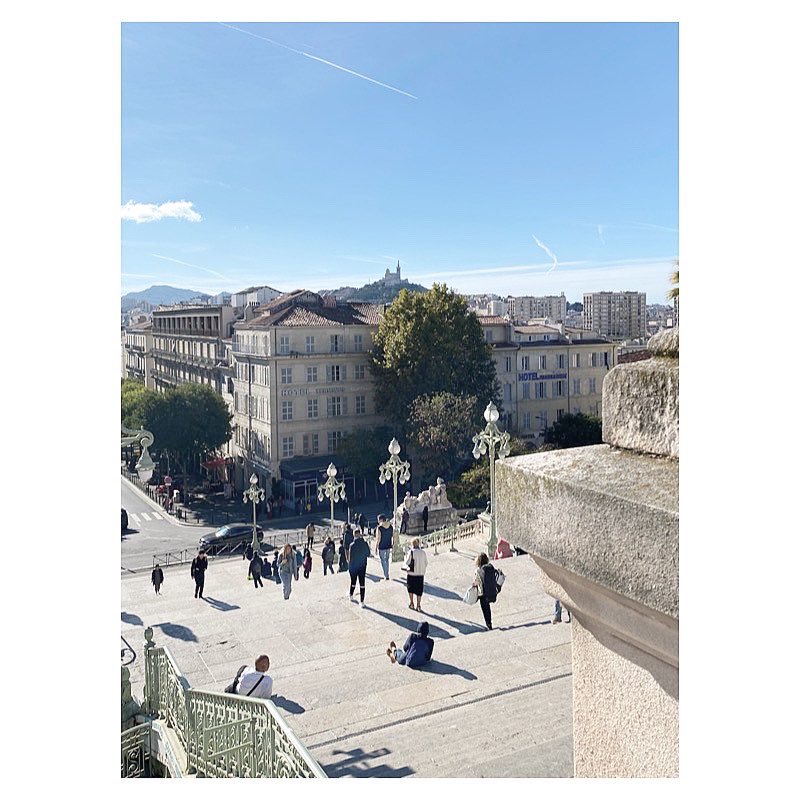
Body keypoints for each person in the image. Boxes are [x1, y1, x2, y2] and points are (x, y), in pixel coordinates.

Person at [473, 552, 498, 630]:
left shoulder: (478, 570)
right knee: (488, 608)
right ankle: (489, 623)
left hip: (483, 593)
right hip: (491, 591)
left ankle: (488, 623)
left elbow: (477, 582)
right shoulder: (491, 568)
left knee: (485, 608)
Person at [403, 538, 429, 612]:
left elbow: (407, 562)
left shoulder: (411, 552)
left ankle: (411, 603)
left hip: (411, 573)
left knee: (410, 589)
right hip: (420, 574)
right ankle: (418, 605)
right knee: (419, 591)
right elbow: (426, 563)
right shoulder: (423, 552)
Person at [347, 529, 371, 608]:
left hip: (354, 566)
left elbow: (350, 558)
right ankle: (362, 601)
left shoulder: (352, 545)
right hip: (362, 565)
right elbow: (368, 554)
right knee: (362, 583)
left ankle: (351, 595)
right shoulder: (364, 543)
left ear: (354, 535)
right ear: (360, 534)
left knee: (353, 582)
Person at [375, 514, 394, 581]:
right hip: (388, 544)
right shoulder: (390, 526)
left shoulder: (379, 528)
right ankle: (387, 573)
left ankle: (386, 575)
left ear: (381, 520)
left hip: (382, 545)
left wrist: (376, 547)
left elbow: (378, 538)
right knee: (387, 559)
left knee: (383, 560)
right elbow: (392, 535)